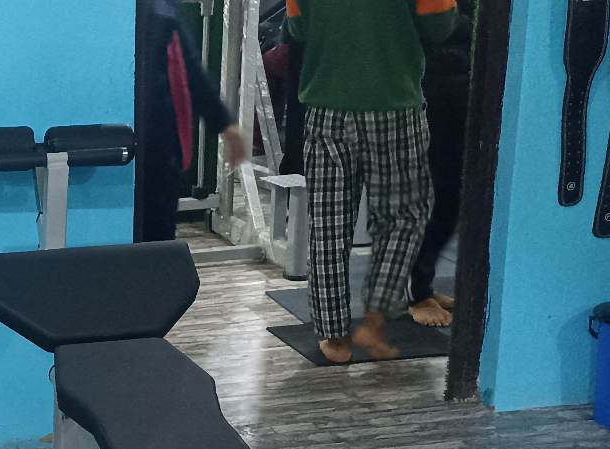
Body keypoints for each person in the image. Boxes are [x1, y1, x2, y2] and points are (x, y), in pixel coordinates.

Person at [287, 0, 461, 364]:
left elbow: (298, 29)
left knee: (330, 226)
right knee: (404, 218)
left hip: (326, 106)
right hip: (394, 105)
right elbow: (440, 26)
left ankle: (334, 336)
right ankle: (378, 316)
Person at [137, 0, 249, 243]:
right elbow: (190, 72)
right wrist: (225, 124)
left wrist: (224, 124)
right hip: (154, 147)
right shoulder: (160, 13)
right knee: (155, 239)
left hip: (145, 146)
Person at [407, 5, 475, 328]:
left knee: (450, 194)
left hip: (459, 81)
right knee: (428, 193)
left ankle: (422, 285)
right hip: (425, 84)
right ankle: (416, 292)